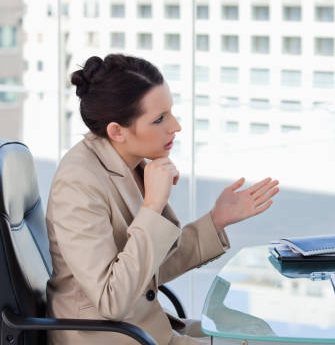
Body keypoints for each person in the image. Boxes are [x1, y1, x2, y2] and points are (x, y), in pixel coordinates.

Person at [45, 54, 279, 345]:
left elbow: (149, 270)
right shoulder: (77, 185)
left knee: (265, 335)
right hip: (109, 336)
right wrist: (153, 205)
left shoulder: (130, 163)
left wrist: (217, 220)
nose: (176, 126)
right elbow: (111, 300)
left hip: (142, 326)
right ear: (117, 131)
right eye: (159, 119)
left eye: (170, 112)